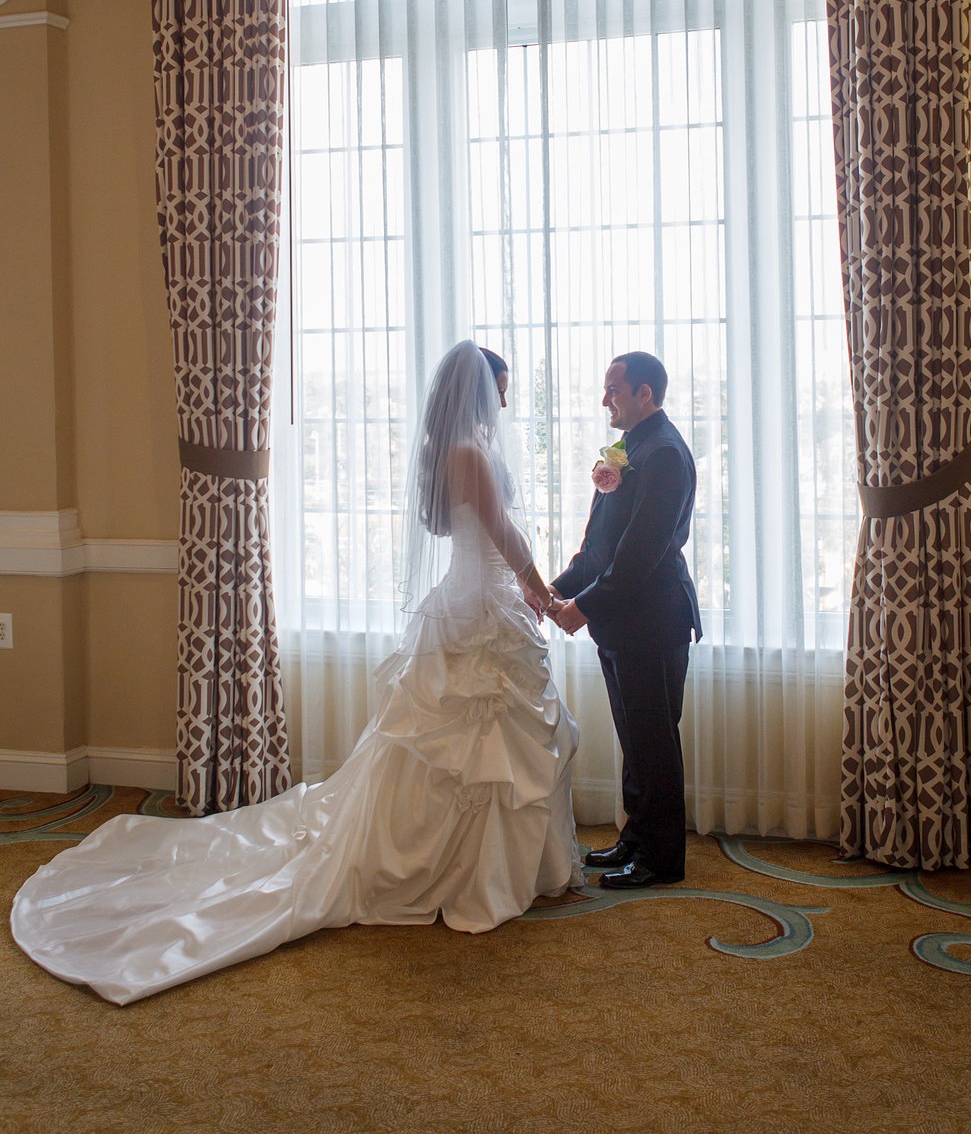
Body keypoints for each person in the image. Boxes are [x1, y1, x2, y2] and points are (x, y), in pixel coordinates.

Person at [11, 342, 580, 1004]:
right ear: (479, 393)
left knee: (477, 752)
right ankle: (469, 877)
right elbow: (505, 537)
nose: (507, 401)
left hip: (476, 602)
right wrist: (541, 594)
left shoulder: (459, 449)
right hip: (481, 607)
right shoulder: (470, 454)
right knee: (475, 750)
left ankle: (485, 871)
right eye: (501, 389)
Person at [548, 351, 700, 888]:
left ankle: (661, 860)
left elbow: (639, 554)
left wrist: (582, 608)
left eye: (614, 389)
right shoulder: (627, 449)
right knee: (635, 737)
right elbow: (600, 546)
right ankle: (636, 840)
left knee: (654, 740)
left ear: (645, 394)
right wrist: (555, 589)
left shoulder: (663, 455)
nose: (604, 399)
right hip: (624, 622)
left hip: (653, 620)